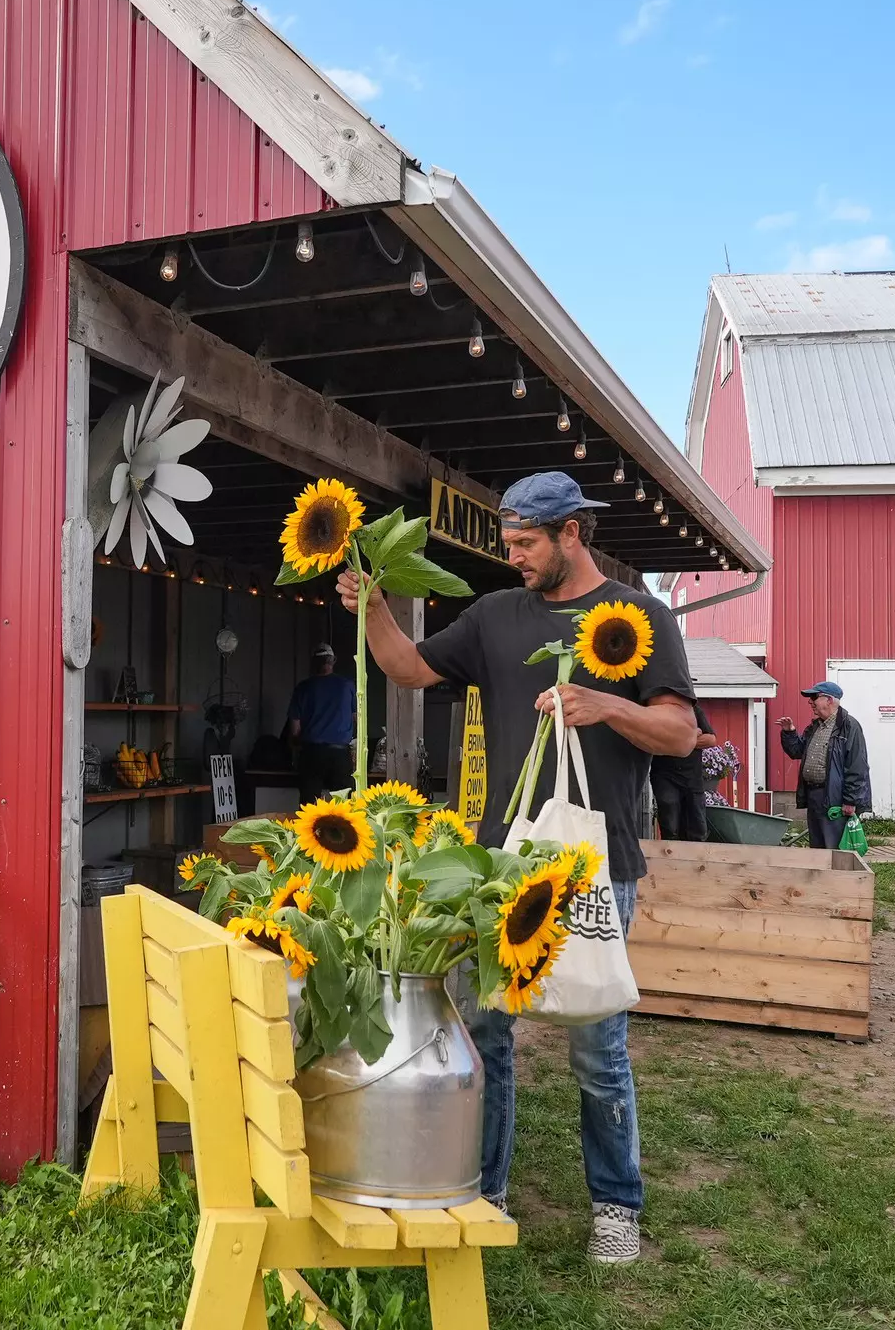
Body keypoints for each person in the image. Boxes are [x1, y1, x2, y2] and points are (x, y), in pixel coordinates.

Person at [339, 471, 697, 1266]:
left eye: (527, 543)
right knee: (488, 1031)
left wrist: (608, 706)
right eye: (508, 542)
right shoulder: (497, 616)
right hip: (500, 865)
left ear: (574, 532)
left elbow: (679, 732)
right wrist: (372, 607)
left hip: (597, 866)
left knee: (596, 1045)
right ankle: (485, 1187)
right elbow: (407, 667)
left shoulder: (640, 617)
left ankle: (616, 1203)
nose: (515, 557)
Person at [779, 681, 871, 850]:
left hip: (835, 798)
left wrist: (850, 801)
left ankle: (838, 876)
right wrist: (789, 732)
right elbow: (797, 751)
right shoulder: (815, 726)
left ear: (829, 700)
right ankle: (822, 875)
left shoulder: (849, 727)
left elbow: (857, 767)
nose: (810, 702)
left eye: (814, 697)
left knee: (834, 848)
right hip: (815, 795)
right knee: (818, 846)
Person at [285, 642, 355, 802]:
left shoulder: (303, 688)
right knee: (344, 806)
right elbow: (356, 718)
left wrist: (294, 747)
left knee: (309, 807)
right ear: (333, 660)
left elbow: (295, 729)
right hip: (340, 754)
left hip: (312, 754)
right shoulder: (347, 686)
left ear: (313, 662)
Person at [650, 702, 717, 841]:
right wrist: (692, 736)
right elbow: (655, 738)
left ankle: (696, 859)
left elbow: (711, 739)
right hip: (664, 775)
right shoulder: (656, 710)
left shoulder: (694, 710)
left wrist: (681, 740)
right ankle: (671, 859)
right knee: (670, 825)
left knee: (698, 827)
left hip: (693, 778)